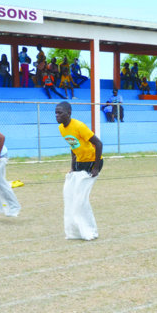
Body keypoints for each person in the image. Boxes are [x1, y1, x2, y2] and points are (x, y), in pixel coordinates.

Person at [55, 101, 103, 240]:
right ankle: (75, 231)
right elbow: (73, 146)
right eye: (56, 113)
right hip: (79, 163)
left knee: (80, 199)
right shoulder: (61, 128)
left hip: (92, 163)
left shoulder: (79, 126)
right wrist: (72, 166)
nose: (57, 115)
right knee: (71, 196)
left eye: (60, 113)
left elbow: (98, 143)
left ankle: (90, 231)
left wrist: (95, 167)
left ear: (69, 113)